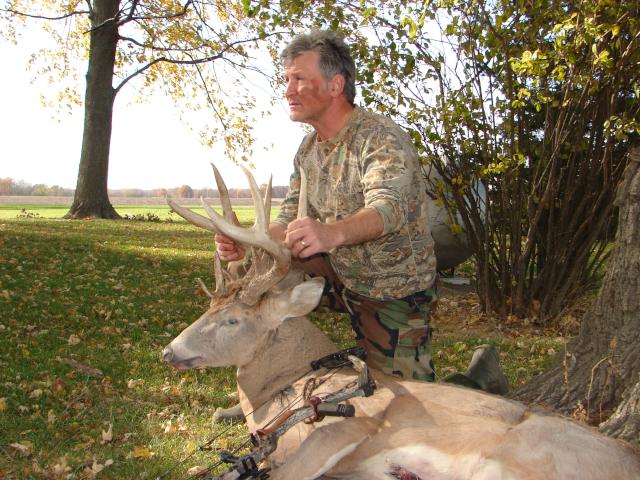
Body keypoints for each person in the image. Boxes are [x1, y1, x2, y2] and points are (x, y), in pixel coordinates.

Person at [217, 30, 439, 382]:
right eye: (287, 80)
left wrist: (331, 233)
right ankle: (267, 380)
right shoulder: (307, 149)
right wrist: (249, 243)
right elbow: (289, 215)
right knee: (252, 270)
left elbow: (388, 210)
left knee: (407, 397)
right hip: (338, 270)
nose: (288, 90)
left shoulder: (379, 137)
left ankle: (478, 380)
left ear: (335, 86)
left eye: (300, 79)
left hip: (390, 289)